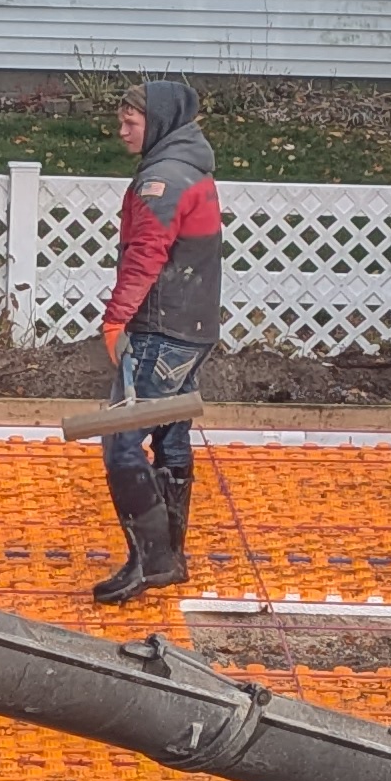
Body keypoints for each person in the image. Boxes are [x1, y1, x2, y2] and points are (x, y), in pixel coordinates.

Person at [90, 75, 224, 602]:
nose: (120, 130)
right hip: (194, 329)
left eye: (130, 121)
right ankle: (170, 555)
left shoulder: (162, 181)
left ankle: (152, 562)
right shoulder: (192, 168)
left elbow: (147, 256)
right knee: (170, 437)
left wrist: (116, 319)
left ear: (159, 123)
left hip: (163, 329)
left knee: (122, 442)